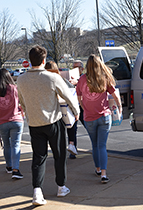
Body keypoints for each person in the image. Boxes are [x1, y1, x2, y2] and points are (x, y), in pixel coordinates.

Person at [17, 45, 80, 206]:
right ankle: (61, 186)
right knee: (60, 155)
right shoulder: (52, 78)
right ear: (44, 60)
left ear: (30, 60)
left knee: (39, 157)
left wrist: (27, 112)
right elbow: (68, 95)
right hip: (53, 121)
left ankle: (37, 191)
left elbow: (22, 101)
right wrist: (76, 111)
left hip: (34, 123)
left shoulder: (22, 79)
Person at [76, 54, 121, 184]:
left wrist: (85, 107)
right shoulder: (104, 77)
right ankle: (104, 173)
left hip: (89, 117)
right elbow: (114, 94)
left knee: (94, 145)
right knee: (102, 145)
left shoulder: (82, 79)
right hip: (104, 116)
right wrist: (119, 107)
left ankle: (97, 168)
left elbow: (79, 98)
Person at [44, 61, 78, 159]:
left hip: (51, 110)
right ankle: (71, 144)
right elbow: (70, 91)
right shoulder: (60, 79)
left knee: (58, 133)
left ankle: (59, 151)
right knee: (72, 124)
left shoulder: (44, 80)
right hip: (64, 108)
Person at [0, 68, 24, 179]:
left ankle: (9, 166)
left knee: (6, 145)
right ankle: (16, 169)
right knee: (16, 144)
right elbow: (22, 103)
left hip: (2, 121)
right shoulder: (15, 89)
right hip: (16, 119)